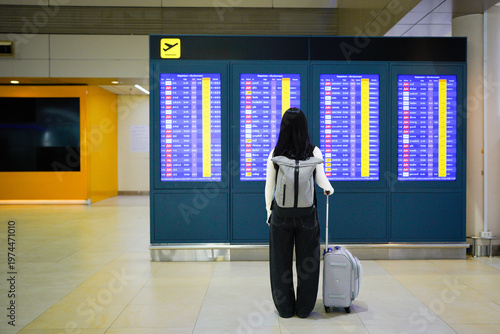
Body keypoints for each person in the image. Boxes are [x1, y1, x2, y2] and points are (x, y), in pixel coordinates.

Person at [265, 107, 334, 318]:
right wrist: (329, 187)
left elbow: (269, 186)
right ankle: (304, 309)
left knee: (280, 265)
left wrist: (269, 211)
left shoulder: (276, 153)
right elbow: (321, 179)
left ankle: (285, 309)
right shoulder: (313, 151)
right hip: (307, 217)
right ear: (304, 127)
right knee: (308, 264)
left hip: (281, 216)